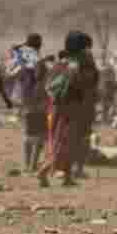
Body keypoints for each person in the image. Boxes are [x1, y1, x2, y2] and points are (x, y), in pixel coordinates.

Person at [37, 31, 99, 188]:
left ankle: (66, 176)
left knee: (63, 141)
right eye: (86, 48)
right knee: (65, 142)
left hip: (58, 107)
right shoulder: (76, 66)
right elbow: (84, 85)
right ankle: (44, 170)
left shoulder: (61, 63)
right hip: (71, 109)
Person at [6, 33, 49, 171]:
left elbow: (10, 75)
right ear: (40, 45)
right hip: (39, 101)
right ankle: (32, 165)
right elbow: (41, 81)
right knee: (40, 135)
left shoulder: (23, 62)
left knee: (29, 134)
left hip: (26, 101)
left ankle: (27, 164)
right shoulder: (39, 61)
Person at [73, 33, 100, 179]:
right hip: (84, 104)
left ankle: (69, 167)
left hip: (71, 104)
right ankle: (78, 168)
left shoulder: (69, 60)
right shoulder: (86, 60)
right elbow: (92, 79)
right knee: (83, 136)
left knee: (71, 136)